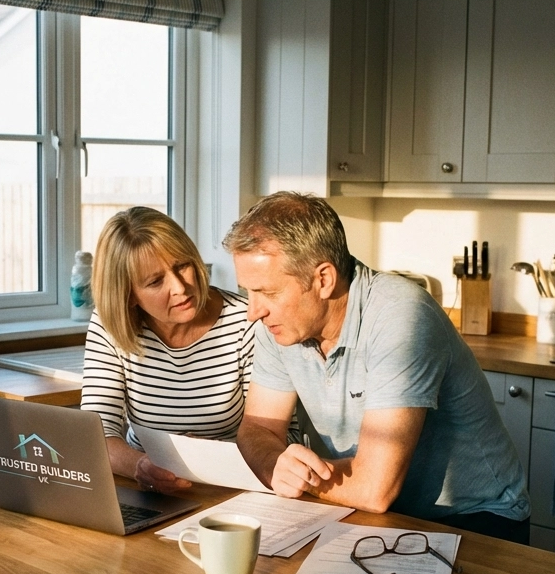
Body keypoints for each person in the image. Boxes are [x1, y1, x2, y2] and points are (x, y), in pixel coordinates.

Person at [223, 191, 531, 543]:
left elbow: (375, 488)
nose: (253, 311)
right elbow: (257, 430)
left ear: (323, 279)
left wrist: (299, 478)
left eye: (268, 292)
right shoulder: (281, 324)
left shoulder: (401, 317)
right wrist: (276, 467)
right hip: (377, 515)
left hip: (473, 519)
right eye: (248, 292)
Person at [82, 207, 255, 494]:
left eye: (182, 266)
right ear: (128, 296)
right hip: (144, 485)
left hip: (228, 488)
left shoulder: (246, 322)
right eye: (155, 281)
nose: (180, 287)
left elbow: (280, 437)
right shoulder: (109, 324)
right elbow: (96, 433)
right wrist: (141, 466)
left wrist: (201, 455)